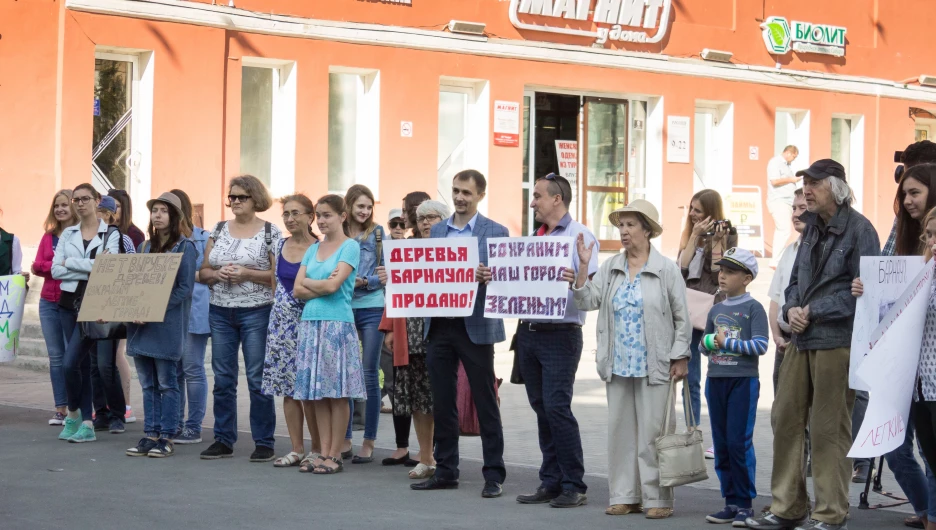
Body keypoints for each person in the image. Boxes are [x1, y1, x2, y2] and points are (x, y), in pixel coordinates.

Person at [746, 159, 880, 530]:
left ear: (835, 187)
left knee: (828, 428)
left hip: (837, 341)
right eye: (805, 183)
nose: (806, 190)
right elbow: (792, 283)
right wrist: (791, 310)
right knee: (785, 419)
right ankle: (787, 507)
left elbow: (865, 291)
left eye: (814, 184)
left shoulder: (860, 229)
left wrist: (812, 309)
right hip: (801, 338)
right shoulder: (810, 230)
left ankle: (831, 513)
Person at [565, 199, 690, 520]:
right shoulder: (610, 267)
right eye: (621, 225)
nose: (623, 231)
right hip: (618, 364)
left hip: (656, 365)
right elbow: (590, 299)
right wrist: (582, 268)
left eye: (631, 224)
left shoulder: (666, 269)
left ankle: (658, 498)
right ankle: (625, 496)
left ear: (647, 230)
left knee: (654, 435)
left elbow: (682, 317)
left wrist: (680, 356)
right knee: (621, 434)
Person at [411, 170, 509, 498]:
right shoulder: (437, 230)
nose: (459, 197)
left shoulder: (496, 231)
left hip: (476, 325)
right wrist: (396, 277)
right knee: (442, 401)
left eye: (466, 192)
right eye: (455, 191)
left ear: (480, 195)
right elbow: (425, 274)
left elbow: (508, 282)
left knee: (485, 401)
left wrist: (490, 276)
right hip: (439, 325)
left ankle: (493, 474)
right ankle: (447, 470)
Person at [851, 163, 936, 528]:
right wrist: (865, 288)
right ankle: (924, 508)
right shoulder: (899, 231)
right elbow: (881, 279)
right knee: (894, 445)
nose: (907, 200)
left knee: (930, 453)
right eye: (903, 193)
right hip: (900, 366)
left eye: (915, 192)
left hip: (927, 371)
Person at [514, 173, 597, 509]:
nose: (532, 202)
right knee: (541, 409)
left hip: (561, 335)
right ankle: (550, 481)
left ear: (556, 199)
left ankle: (573, 484)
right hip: (530, 332)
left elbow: (590, 293)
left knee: (557, 408)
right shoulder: (536, 237)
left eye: (537, 196)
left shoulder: (580, 236)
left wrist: (574, 277)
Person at [199, 175, 280, 462]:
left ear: (255, 199)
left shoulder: (271, 232)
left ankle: (264, 441)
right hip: (220, 309)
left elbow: (278, 276)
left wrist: (247, 274)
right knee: (223, 378)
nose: (234, 202)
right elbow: (202, 271)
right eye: (231, 197)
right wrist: (215, 275)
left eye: (240, 197)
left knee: (257, 378)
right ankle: (223, 439)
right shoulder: (219, 229)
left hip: (257, 311)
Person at [292, 194, 365, 474]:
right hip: (311, 323)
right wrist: (320, 283)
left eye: (327, 215)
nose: (321, 220)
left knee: (337, 393)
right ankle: (322, 450)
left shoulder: (350, 247)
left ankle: (335, 454)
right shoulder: (313, 249)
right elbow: (297, 289)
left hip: (336, 324)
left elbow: (334, 288)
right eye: (318, 215)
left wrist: (315, 283)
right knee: (318, 393)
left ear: (342, 216)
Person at [124, 192, 196, 458]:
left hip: (167, 325)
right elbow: (134, 285)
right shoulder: (143, 247)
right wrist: (129, 308)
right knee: (147, 384)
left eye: (164, 210)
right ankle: (150, 434)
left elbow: (184, 290)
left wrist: (153, 308)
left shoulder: (185, 248)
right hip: (142, 327)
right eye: (154, 210)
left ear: (175, 216)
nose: (157, 214)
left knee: (167, 383)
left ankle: (166, 436)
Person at [698, 248, 768, 526]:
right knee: (722, 444)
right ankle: (729, 502)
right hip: (715, 381)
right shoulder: (715, 309)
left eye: (730, 271)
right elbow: (703, 344)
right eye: (722, 270)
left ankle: (745, 504)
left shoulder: (753, 308)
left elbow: (760, 345)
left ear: (747, 278)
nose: (722, 275)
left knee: (739, 443)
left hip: (743, 382)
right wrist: (712, 342)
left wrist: (728, 343)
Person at [379, 199, 447, 479]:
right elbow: (396, 290)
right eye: (421, 218)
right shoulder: (405, 251)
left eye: (432, 217)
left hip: (442, 333)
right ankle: (426, 457)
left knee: (439, 397)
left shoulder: (453, 250)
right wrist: (391, 328)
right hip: (411, 332)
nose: (426, 222)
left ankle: (444, 456)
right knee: (418, 398)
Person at [52, 183, 121, 443]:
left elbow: (109, 267)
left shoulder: (109, 234)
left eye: (85, 199)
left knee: (71, 363)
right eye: (76, 200)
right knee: (79, 364)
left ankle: (72, 413)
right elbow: (55, 271)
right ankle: (87, 424)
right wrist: (91, 265)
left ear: (97, 200)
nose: (80, 204)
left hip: (94, 304)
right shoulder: (68, 233)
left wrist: (70, 263)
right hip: (67, 303)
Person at [260, 194, 321, 468]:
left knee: (310, 390)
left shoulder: (321, 249)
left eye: (296, 213)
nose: (290, 218)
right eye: (286, 213)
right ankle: (296, 448)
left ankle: (317, 449)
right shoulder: (280, 244)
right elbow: (275, 284)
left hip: (310, 321)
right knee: (287, 389)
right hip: (281, 325)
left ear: (311, 217)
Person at [677, 188, 737, 456]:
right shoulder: (692, 234)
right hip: (690, 312)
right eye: (690, 208)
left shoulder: (728, 234)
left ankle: (718, 438)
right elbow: (681, 267)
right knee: (690, 376)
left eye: (697, 210)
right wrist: (694, 236)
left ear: (711, 213)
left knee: (716, 374)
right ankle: (693, 433)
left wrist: (717, 242)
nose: (692, 214)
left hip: (713, 312)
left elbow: (718, 272)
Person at [340, 184, 386, 464]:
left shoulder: (378, 234)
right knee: (346, 374)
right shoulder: (338, 234)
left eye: (368, 207)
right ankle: (344, 439)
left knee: (369, 372)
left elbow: (390, 273)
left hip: (371, 305)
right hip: (344, 306)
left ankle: (368, 441)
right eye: (360, 206)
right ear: (348, 206)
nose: (365, 211)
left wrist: (367, 281)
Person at [32, 190, 77, 425]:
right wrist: (60, 265)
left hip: (71, 301)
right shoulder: (48, 237)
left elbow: (79, 266)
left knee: (73, 356)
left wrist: (56, 266)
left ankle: (75, 408)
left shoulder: (80, 236)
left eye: (65, 205)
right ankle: (60, 408)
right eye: (57, 206)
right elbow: (36, 266)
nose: (60, 209)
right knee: (56, 357)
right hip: (48, 301)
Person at [170, 189, 211, 445]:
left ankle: (193, 426)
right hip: (169, 311)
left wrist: (184, 274)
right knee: (173, 370)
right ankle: (174, 422)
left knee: (193, 368)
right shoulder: (161, 241)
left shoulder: (203, 238)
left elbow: (209, 273)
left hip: (195, 310)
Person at [89, 195, 131, 433]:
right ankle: (101, 413)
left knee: (106, 364)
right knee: (94, 364)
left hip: (108, 302)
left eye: (103, 212)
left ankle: (117, 413)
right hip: (83, 301)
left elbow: (113, 266)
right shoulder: (79, 234)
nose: (99, 216)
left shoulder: (117, 236)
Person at [909, 206, 936, 530]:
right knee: (929, 456)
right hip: (921, 382)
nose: (932, 241)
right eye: (929, 235)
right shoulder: (923, 272)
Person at [107, 189, 141, 423]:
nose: (110, 211)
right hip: (103, 298)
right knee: (102, 358)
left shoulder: (132, 235)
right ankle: (108, 405)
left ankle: (126, 405)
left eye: (115, 206)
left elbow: (135, 268)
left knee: (118, 354)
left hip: (123, 299)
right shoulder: (101, 232)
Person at [379, 208, 406, 414]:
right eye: (393, 224)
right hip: (383, 304)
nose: (398, 228)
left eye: (402, 224)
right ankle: (392, 399)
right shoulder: (382, 246)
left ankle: (396, 398)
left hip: (403, 305)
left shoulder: (410, 246)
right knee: (385, 356)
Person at [767, 145, 800, 268]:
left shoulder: (786, 165)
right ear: (788, 153)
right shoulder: (776, 162)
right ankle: (775, 260)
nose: (794, 159)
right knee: (784, 229)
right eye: (794, 156)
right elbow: (774, 181)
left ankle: (777, 258)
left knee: (784, 230)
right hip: (779, 200)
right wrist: (791, 179)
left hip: (787, 201)